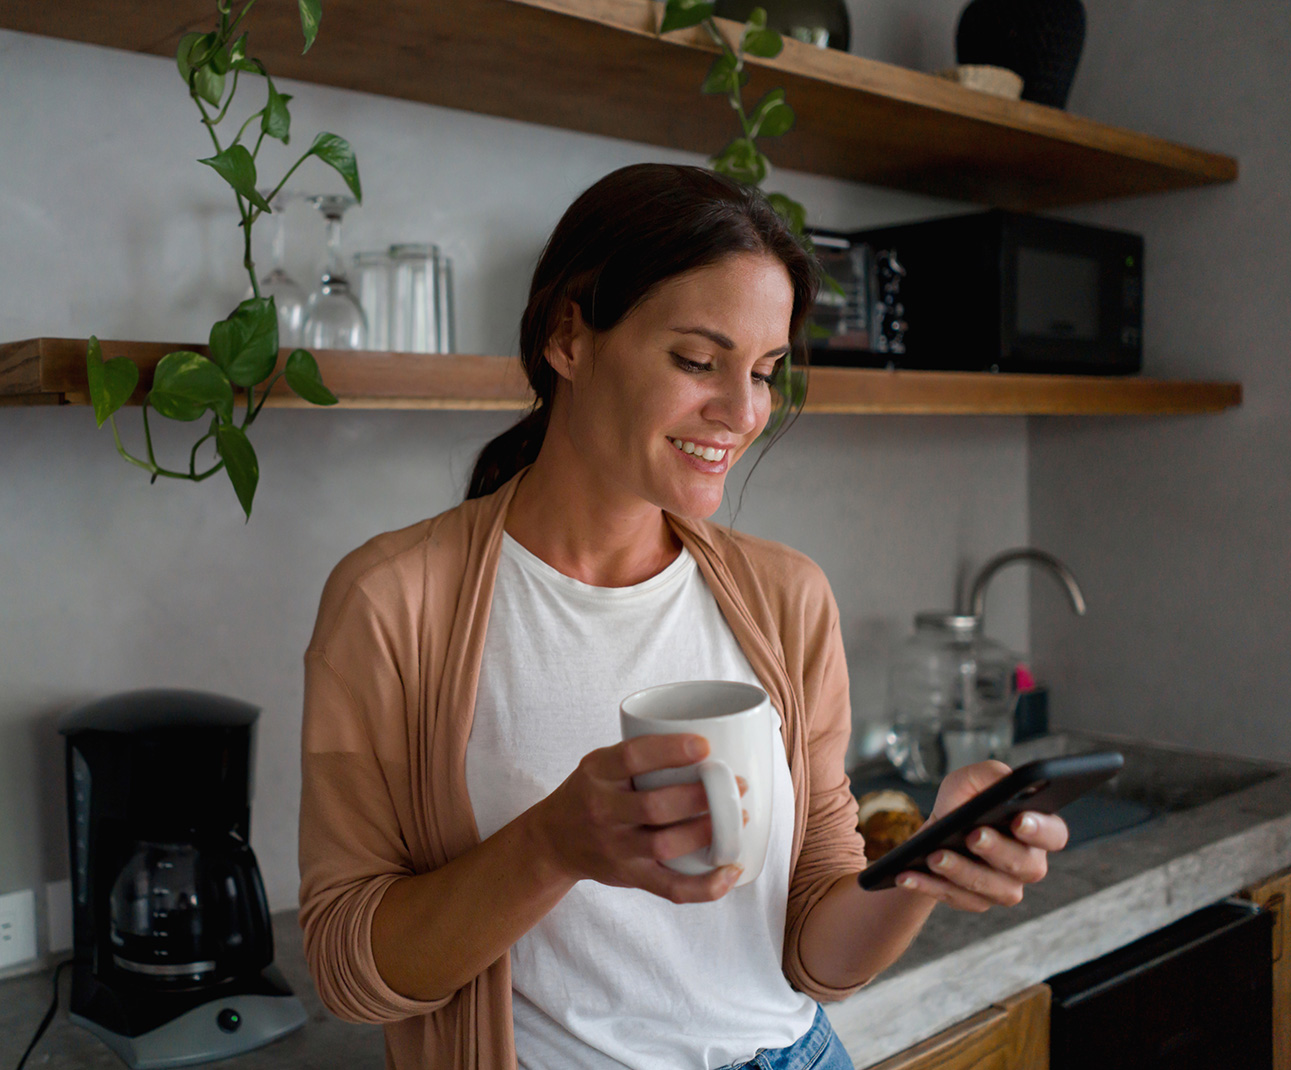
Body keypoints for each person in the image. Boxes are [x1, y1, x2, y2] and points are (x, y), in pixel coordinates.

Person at [298, 163, 1069, 1070]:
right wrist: (552, 845)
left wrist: (926, 868)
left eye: (766, 371)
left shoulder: (787, 599)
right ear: (568, 337)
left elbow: (817, 955)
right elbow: (350, 970)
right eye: (698, 361)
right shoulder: (394, 601)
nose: (742, 412)